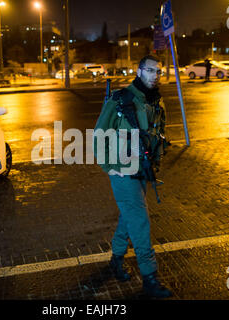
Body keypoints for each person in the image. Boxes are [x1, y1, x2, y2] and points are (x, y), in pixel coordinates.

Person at [94, 55, 171, 298]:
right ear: (139, 71)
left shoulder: (157, 101)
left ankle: (116, 259)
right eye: (150, 70)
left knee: (129, 217)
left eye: (158, 71)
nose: (155, 75)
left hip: (143, 168)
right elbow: (99, 134)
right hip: (122, 170)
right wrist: (109, 167)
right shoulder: (120, 99)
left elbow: (158, 133)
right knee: (140, 220)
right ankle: (150, 277)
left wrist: (155, 158)